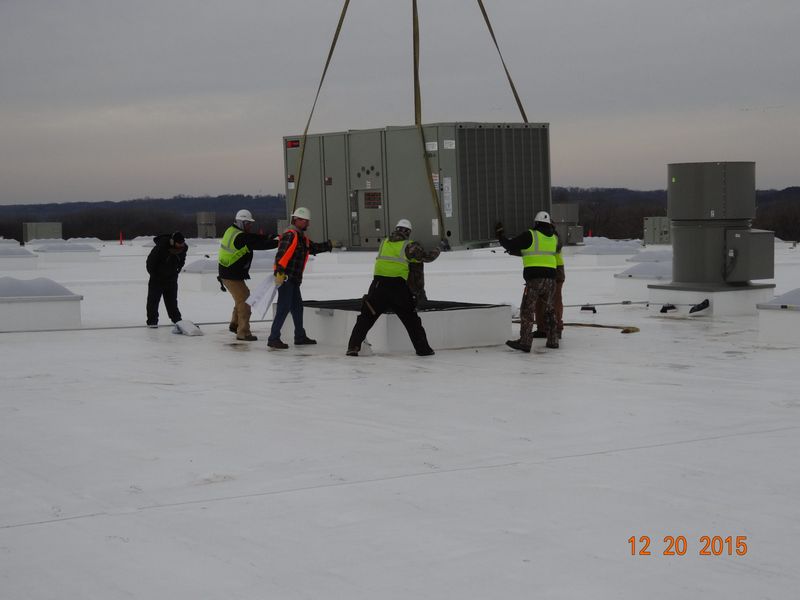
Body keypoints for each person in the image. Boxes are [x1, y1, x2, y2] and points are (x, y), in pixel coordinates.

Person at [346, 219, 440, 357]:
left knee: (366, 317)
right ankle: (423, 349)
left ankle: (353, 347)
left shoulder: (384, 243)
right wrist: (439, 248)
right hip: (398, 288)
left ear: (396, 229)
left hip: (378, 286)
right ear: (408, 232)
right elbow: (426, 257)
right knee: (411, 320)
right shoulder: (409, 246)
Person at [267, 207, 335, 349]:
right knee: (283, 308)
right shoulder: (290, 235)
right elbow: (281, 254)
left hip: (294, 280)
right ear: (297, 220)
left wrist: (328, 245)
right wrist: (278, 271)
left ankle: (299, 336)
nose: (308, 224)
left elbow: (312, 248)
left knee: (297, 308)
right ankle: (273, 338)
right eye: (305, 221)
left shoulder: (301, 238)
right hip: (286, 278)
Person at [496, 211, 559, 352]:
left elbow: (510, 245)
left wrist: (500, 235)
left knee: (527, 311)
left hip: (535, 280)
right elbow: (538, 252)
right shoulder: (554, 238)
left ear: (536, 223)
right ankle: (553, 340)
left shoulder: (530, 235)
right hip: (550, 280)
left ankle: (525, 342)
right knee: (549, 310)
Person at [218, 209, 279, 341]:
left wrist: (270, 236)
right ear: (241, 222)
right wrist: (279, 243)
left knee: (241, 298)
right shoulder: (239, 237)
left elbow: (254, 238)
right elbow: (258, 244)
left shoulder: (233, 231)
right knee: (245, 300)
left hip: (229, 272)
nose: (250, 226)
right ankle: (243, 332)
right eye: (248, 224)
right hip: (230, 274)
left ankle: (235, 324)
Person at [146, 231, 187, 328]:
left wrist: (177, 270)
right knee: (153, 301)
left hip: (172, 279)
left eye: (182, 244)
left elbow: (182, 260)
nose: (181, 246)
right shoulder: (161, 247)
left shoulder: (184, 248)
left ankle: (177, 319)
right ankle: (152, 322)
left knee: (172, 301)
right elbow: (150, 262)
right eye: (178, 244)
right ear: (172, 242)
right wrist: (154, 275)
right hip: (157, 279)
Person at [533, 233, 564, 339]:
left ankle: (555, 329)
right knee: (541, 299)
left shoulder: (552, 237)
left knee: (554, 299)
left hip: (554, 267)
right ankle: (543, 329)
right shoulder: (548, 236)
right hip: (544, 267)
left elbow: (557, 247)